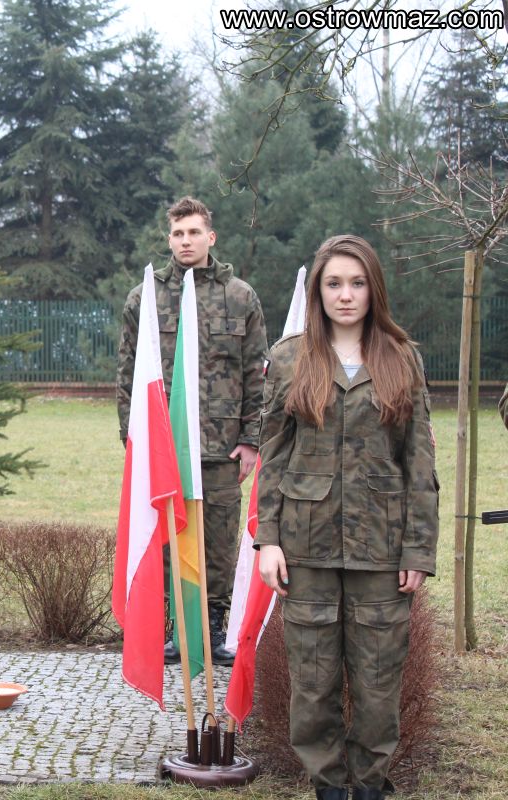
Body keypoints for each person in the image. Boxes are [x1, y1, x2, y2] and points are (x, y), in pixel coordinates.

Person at [255, 234, 438, 800]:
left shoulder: (401, 358)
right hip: (304, 548)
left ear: (373, 289)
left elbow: (419, 462)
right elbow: (273, 456)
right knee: (312, 684)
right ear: (318, 291)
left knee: (379, 685)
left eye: (357, 283)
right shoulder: (291, 358)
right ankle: (328, 786)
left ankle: (369, 785)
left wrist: (418, 550)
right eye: (333, 283)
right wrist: (267, 540)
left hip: (381, 549)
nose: (345, 295)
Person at [117, 196, 267, 666]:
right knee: (165, 538)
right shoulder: (144, 297)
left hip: (221, 448)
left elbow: (257, 374)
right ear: (169, 239)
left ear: (210, 237)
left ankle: (214, 627)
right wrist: (132, 441)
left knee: (218, 542)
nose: (186, 241)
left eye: (194, 232)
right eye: (178, 234)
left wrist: (251, 440)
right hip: (163, 448)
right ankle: (176, 628)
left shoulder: (239, 296)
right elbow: (128, 374)